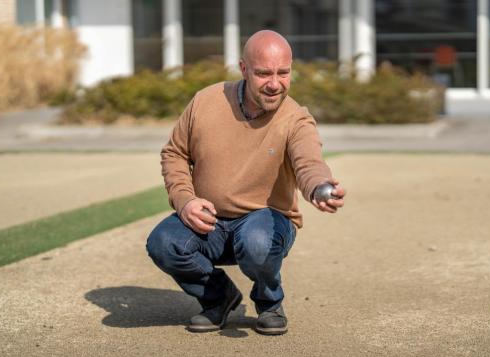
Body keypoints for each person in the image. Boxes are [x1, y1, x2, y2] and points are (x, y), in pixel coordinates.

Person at [146, 30, 345, 336]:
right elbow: (174, 153)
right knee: (163, 242)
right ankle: (218, 298)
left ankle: (269, 302)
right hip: (209, 224)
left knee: (256, 243)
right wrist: (185, 200)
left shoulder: (297, 120)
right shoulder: (205, 102)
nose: (275, 84)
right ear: (243, 69)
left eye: (283, 73)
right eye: (264, 73)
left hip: (265, 223)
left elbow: (310, 163)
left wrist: (319, 187)